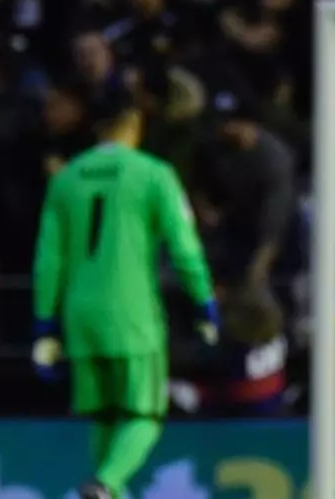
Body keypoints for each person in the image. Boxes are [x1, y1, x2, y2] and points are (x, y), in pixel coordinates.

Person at [30, 87, 220, 499]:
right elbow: (184, 247)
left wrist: (45, 322)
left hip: (81, 316)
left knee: (105, 417)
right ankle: (105, 484)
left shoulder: (66, 178)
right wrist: (203, 301)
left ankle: (106, 489)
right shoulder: (153, 174)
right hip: (131, 314)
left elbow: (48, 259)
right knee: (144, 415)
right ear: (134, 124)